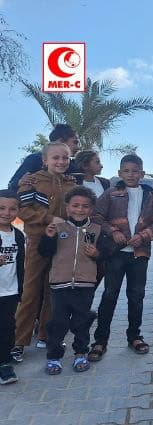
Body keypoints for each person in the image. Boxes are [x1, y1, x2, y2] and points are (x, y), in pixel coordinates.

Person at [89, 154, 153, 361]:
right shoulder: (111, 193)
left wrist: (143, 236)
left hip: (139, 255)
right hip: (115, 254)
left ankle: (134, 336)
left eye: (135, 171)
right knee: (109, 296)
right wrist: (113, 232)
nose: (131, 175)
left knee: (136, 296)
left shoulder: (148, 196)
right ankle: (100, 340)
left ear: (142, 173)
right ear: (119, 173)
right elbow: (96, 217)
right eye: (126, 171)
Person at [12, 142, 77, 363]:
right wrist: (49, 219)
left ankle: (46, 335)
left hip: (62, 244)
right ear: (45, 160)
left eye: (65, 158)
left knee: (54, 291)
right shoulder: (32, 181)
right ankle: (18, 341)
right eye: (55, 158)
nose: (61, 162)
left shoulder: (71, 183)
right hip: (38, 242)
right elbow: (23, 210)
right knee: (30, 292)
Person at [38, 186, 110, 374]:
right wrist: (48, 237)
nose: (80, 209)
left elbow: (106, 254)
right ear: (67, 207)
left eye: (85, 206)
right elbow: (44, 252)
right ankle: (54, 357)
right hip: (59, 285)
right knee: (58, 323)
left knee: (81, 322)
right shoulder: (58, 228)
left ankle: (80, 353)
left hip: (85, 285)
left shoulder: (97, 229)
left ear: (91, 209)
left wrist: (97, 253)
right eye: (75, 205)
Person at [8, 124, 80, 193]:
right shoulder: (35, 159)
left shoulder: (75, 167)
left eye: (65, 159)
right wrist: (19, 182)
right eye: (75, 142)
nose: (78, 147)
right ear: (60, 141)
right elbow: (12, 185)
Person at [0, 190, 24, 385]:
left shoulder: (19, 235)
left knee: (7, 328)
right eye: (1, 208)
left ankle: (4, 363)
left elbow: (21, 263)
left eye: (12, 209)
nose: (6, 213)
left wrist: (21, 289)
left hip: (10, 291)